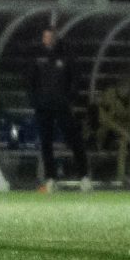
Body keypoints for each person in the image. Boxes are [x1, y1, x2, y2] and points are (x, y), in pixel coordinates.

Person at [29, 25, 89, 188]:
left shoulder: (66, 54)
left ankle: (84, 176)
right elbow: (30, 80)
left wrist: (68, 99)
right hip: (43, 107)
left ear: (55, 38)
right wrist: (35, 100)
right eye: (44, 37)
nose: (46, 40)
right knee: (46, 142)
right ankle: (51, 178)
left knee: (74, 139)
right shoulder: (37, 56)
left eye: (49, 37)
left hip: (62, 106)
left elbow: (76, 78)